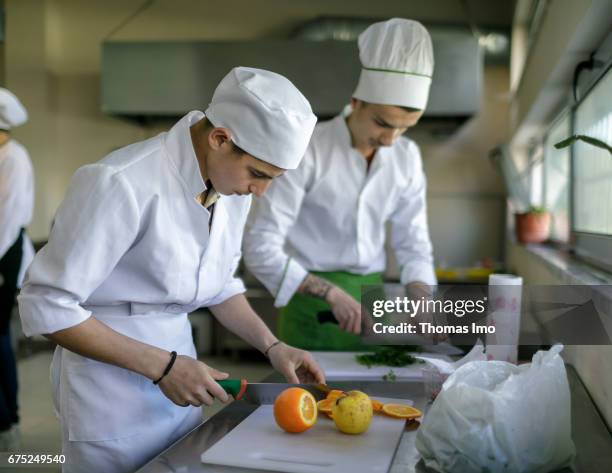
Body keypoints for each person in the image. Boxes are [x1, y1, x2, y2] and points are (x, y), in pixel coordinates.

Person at [18, 67, 324, 472]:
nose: (261, 190)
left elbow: (219, 285)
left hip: (183, 380)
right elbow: (47, 305)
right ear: (220, 139)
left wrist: (272, 346)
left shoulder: (228, 185)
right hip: (109, 395)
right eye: (258, 174)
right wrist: (162, 367)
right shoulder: (120, 182)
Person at [243, 18, 437, 350]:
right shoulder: (308, 150)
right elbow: (260, 245)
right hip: (311, 305)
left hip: (372, 303)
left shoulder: (407, 158)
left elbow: (413, 243)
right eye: (382, 123)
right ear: (357, 101)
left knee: (376, 399)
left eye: (405, 128)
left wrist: (421, 296)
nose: (390, 140)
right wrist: (330, 293)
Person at [0, 88, 34, 451]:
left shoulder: (14, 158)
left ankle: (8, 421)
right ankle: (7, 420)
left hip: (3, 253)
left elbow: (6, 221)